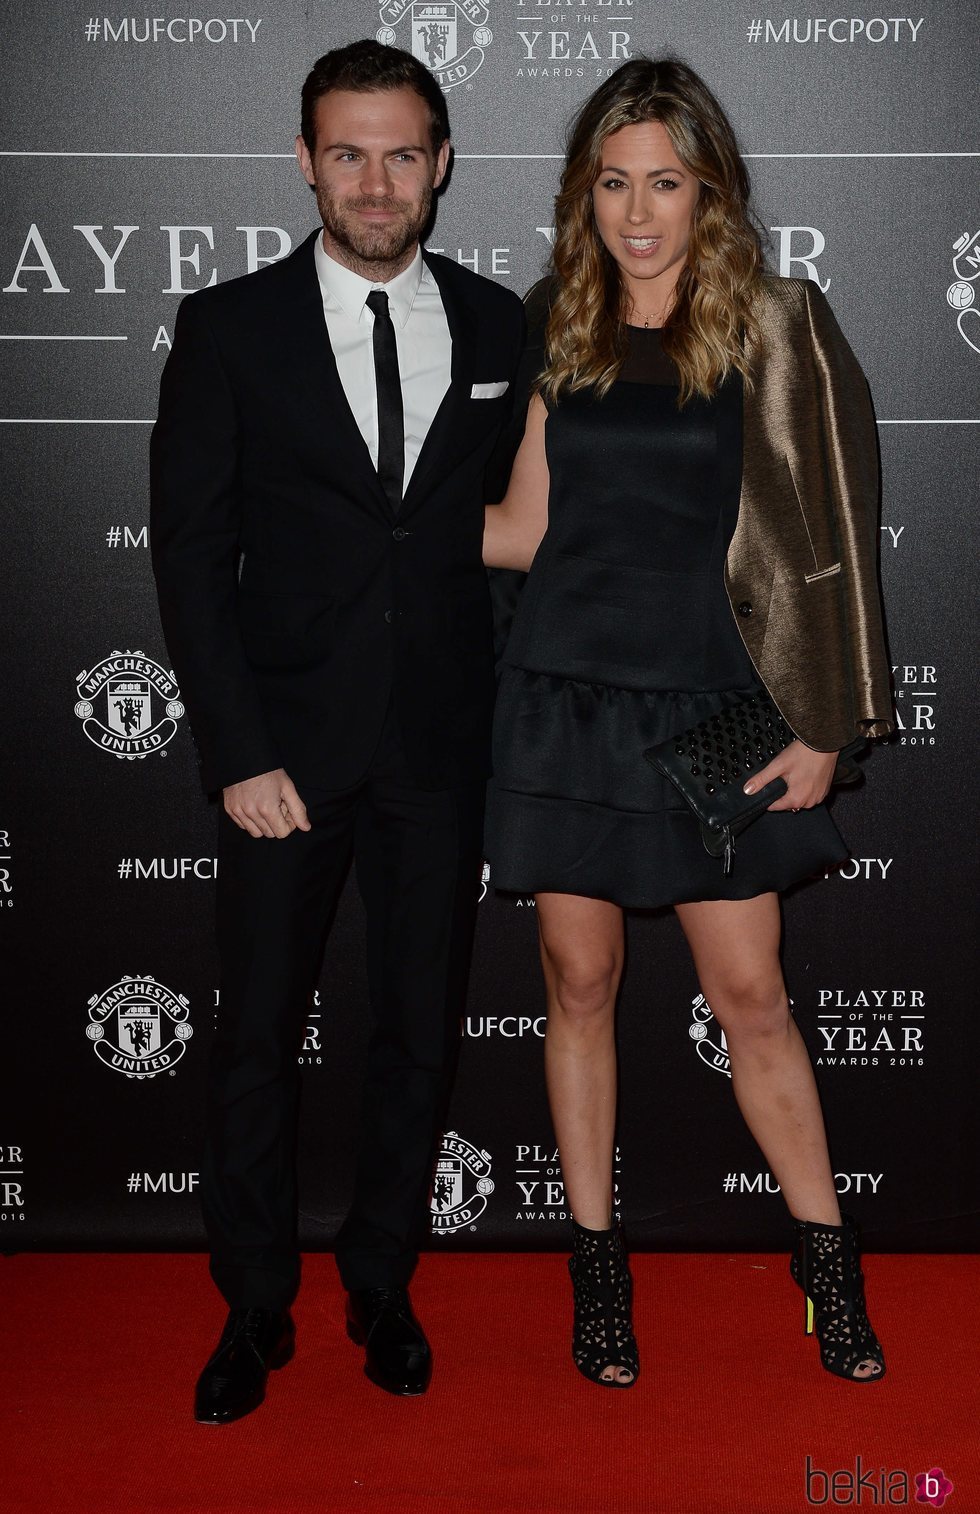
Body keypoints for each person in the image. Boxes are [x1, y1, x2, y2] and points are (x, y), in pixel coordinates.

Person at [484, 58, 893, 1389]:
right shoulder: (558, 316)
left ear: (707, 187)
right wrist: (362, 518)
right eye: (614, 182)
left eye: (664, 181)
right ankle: (599, 1274)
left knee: (752, 995)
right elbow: (528, 528)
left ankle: (828, 1262)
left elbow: (837, 536)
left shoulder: (777, 320)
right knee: (580, 984)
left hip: (720, 700)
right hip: (566, 694)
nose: (638, 210)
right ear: (581, 193)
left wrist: (831, 721)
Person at [150, 39, 524, 1423]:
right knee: (256, 1035)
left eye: (403, 153)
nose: (377, 181)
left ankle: (383, 1277)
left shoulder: (499, 326)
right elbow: (193, 557)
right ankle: (254, 1301)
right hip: (282, 755)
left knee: (417, 1032)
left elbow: (508, 539)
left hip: (440, 751)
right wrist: (236, 750)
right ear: (305, 161)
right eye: (348, 153)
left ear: (440, 164)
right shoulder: (230, 326)